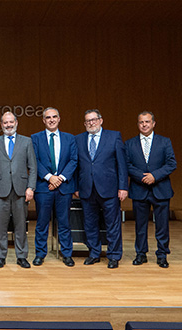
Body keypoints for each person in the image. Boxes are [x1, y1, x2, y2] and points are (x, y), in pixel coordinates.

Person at [75, 109, 128, 269]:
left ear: (101, 120)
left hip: (109, 189)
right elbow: (77, 166)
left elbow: (122, 165)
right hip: (86, 189)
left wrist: (123, 187)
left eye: (94, 119)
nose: (91, 123)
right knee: (90, 224)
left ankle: (113, 255)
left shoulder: (114, 137)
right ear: (85, 124)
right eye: (88, 121)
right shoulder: (78, 139)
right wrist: (76, 187)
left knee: (112, 224)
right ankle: (94, 253)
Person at [125, 111, 177, 268]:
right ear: (138, 124)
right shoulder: (129, 143)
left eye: (147, 122)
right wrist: (143, 176)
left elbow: (171, 163)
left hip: (160, 189)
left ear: (153, 123)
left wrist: (154, 176)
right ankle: (141, 254)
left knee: (162, 226)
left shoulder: (164, 142)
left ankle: (162, 255)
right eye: (141, 122)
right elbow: (127, 165)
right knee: (140, 226)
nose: (144, 125)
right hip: (139, 189)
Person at [0, 112, 37, 269]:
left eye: (11, 122)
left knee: (21, 226)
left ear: (16, 123)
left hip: (21, 190)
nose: (8, 125)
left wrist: (31, 187)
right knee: (0, 227)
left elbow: (33, 167)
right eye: (5, 123)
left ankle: (21, 256)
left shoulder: (27, 142)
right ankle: (1, 256)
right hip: (0, 191)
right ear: (1, 125)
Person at [31, 107, 78, 267]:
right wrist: (50, 178)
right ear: (44, 120)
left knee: (64, 223)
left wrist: (60, 179)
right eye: (48, 117)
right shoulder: (35, 138)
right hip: (43, 187)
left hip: (64, 188)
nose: (51, 119)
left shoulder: (69, 138)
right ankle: (40, 254)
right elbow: (34, 161)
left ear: (59, 119)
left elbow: (73, 161)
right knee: (42, 223)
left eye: (54, 117)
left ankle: (66, 254)